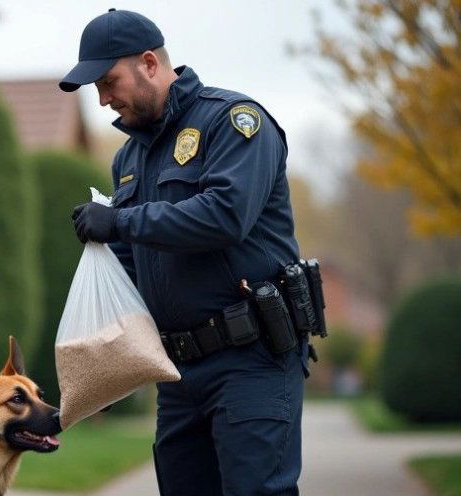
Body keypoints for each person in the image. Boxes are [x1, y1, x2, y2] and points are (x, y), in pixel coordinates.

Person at [60, 9, 307, 496]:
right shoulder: (128, 159)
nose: (105, 99)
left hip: (250, 359)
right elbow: (131, 268)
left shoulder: (234, 123)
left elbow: (224, 215)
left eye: (109, 82)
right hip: (177, 373)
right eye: (97, 90)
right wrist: (103, 361)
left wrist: (122, 221)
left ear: (149, 63)